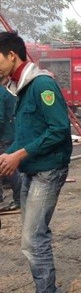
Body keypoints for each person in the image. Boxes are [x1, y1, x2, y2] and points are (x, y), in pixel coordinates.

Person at [0, 31, 72, 293]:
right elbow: (28, 131)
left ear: (11, 57)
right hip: (32, 168)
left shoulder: (41, 84)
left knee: (33, 239)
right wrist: (10, 154)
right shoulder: (19, 86)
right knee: (31, 238)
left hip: (47, 170)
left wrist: (20, 155)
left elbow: (59, 130)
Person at [0, 74, 20, 212]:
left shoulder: (1, 92)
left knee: (9, 169)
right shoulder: (8, 90)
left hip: (5, 136)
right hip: (11, 133)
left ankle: (19, 199)